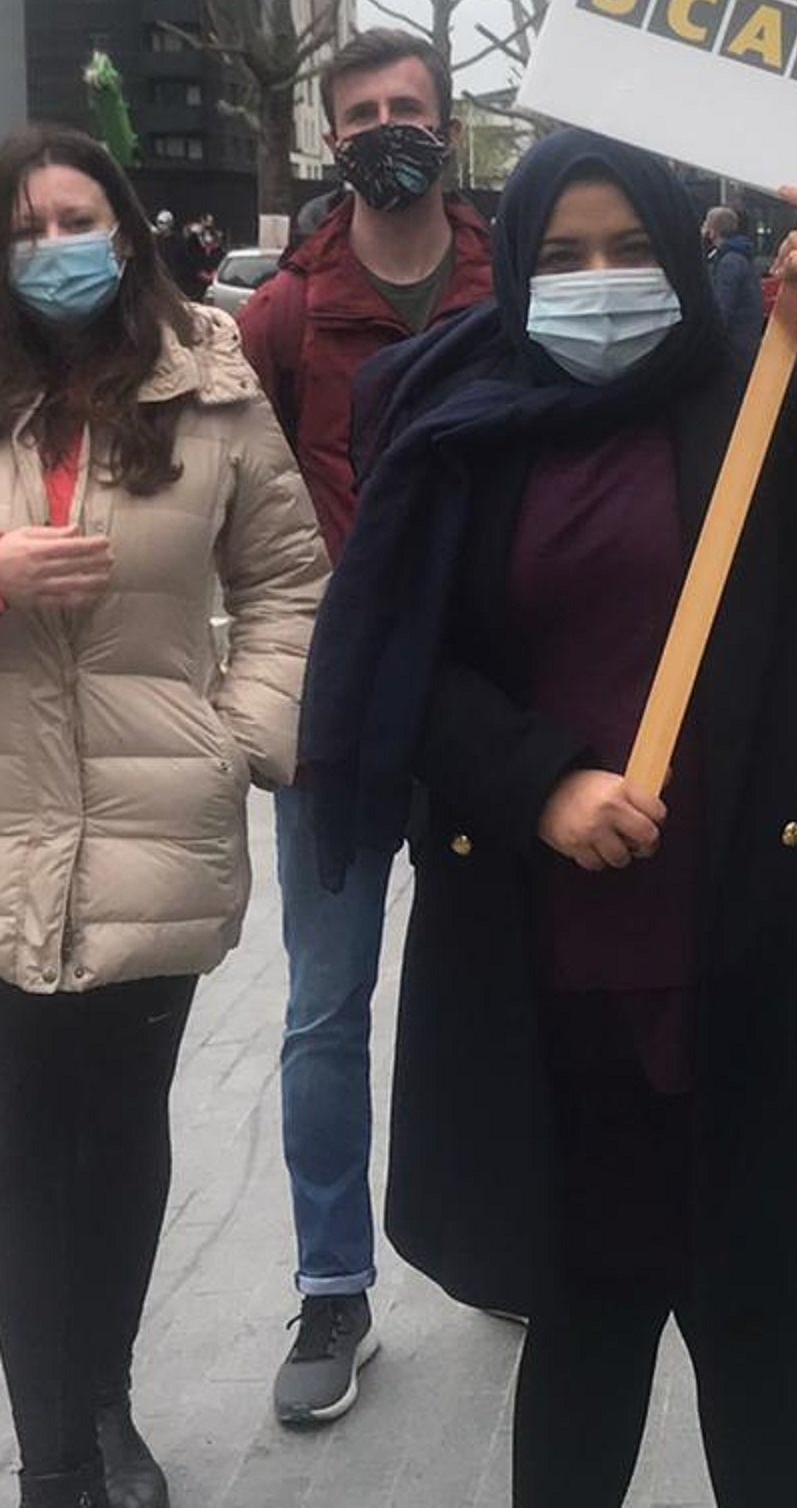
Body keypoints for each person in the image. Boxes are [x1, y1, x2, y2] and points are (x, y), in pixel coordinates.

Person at [294, 130, 797, 1506]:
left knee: (764, 1327)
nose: (599, 281)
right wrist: (539, 778)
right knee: (588, 1329)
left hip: (756, 952)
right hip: (554, 982)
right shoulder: (451, 420)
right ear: (512, 267)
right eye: (561, 256)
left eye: (627, 251)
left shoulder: (754, 394)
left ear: (676, 252)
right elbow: (387, 666)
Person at [0, 125, 327, 1508]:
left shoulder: (210, 380)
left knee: (123, 1132)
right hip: (7, 819)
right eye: (24, 228)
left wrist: (238, 738)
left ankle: (109, 1398)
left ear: (128, 230)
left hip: (156, 820)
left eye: (79, 218)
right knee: (21, 1146)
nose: (55, 246)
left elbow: (287, 580)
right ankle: (55, 1452)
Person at [236, 27, 494, 1424]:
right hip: (340, 721)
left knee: (514, 974)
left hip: (496, 707)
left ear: (445, 124)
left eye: (407, 106)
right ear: (328, 137)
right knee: (325, 1008)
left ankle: (516, 1230)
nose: (386, 126)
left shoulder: (511, 277)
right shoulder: (282, 314)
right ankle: (333, 1285)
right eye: (361, 112)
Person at [701, 203, 760, 331]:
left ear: (712, 231)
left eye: (705, 224)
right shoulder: (740, 255)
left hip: (733, 341)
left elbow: (722, 307)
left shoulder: (729, 262)